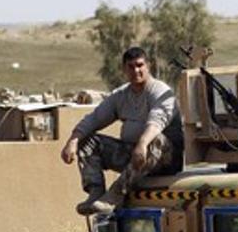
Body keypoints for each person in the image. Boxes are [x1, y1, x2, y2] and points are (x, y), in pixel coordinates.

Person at [60, 46, 184, 214]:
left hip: (163, 158)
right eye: (131, 66)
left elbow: (157, 120)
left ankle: (115, 195)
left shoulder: (160, 91)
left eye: (140, 65)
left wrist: (142, 143)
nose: (136, 70)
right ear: (124, 69)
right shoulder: (121, 95)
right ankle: (95, 192)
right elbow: (95, 118)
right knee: (88, 140)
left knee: (156, 139)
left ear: (148, 66)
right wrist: (73, 140)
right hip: (133, 155)